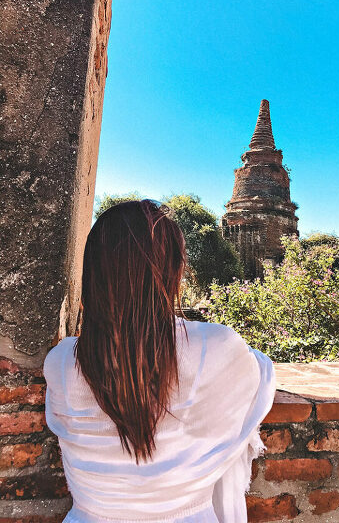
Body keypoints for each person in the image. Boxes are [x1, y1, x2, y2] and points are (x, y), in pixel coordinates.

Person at [43, 199, 276, 523]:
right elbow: (261, 374)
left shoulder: (61, 362)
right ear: (172, 272)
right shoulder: (214, 347)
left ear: (93, 272)